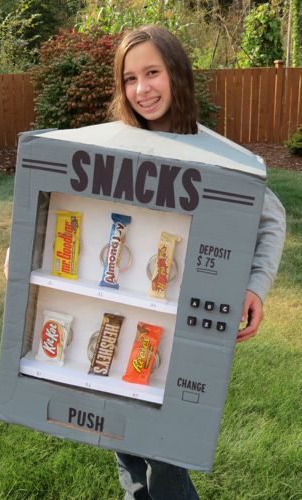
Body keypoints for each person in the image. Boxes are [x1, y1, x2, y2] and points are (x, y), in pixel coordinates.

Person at [107, 25, 286, 500]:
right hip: (119, 308)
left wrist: (255, 285)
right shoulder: (111, 147)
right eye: (129, 78)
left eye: (152, 73)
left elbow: (272, 218)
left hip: (182, 321)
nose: (141, 89)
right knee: (121, 436)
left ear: (177, 75)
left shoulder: (216, 156)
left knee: (165, 451)